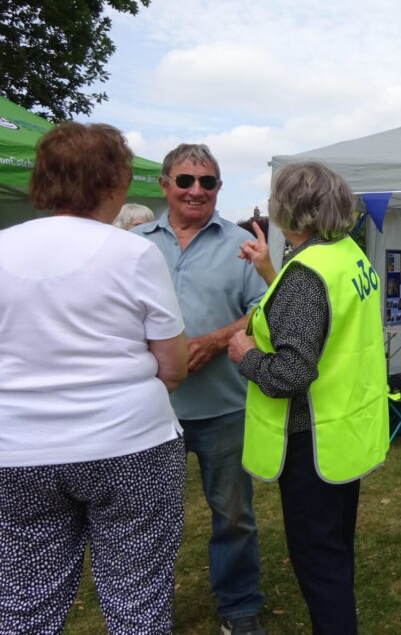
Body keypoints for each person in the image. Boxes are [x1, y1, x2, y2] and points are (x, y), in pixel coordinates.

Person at [0, 122, 188, 634]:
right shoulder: (132, 253)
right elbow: (173, 364)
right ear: (117, 183)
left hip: (17, 451)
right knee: (136, 603)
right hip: (128, 445)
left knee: (23, 607)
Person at [226, 162, 389, 635]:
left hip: (310, 441)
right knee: (335, 554)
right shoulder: (347, 255)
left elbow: (293, 370)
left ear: (286, 210)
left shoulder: (307, 274)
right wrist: (269, 272)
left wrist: (245, 354)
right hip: (344, 434)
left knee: (319, 565)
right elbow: (317, 318)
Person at [134, 144, 268, 635]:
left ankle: (238, 606)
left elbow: (264, 309)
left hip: (223, 406)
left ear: (218, 189)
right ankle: (145, 611)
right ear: (164, 184)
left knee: (233, 514)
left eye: (207, 183)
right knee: (146, 518)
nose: (196, 191)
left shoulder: (240, 244)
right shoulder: (135, 242)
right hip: (149, 408)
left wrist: (214, 341)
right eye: (186, 181)